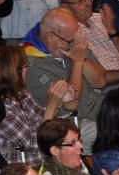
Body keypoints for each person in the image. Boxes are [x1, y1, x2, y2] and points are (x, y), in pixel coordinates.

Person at [22, 8, 114, 152]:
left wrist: (80, 57)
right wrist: (77, 62)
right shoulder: (32, 66)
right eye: (71, 41)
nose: (74, 44)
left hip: (98, 105)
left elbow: (101, 80)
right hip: (74, 123)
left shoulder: (67, 42)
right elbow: (71, 104)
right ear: (52, 38)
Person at [0, 45, 73, 166]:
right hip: (25, 164)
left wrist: (59, 100)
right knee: (70, 149)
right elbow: (36, 143)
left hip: (42, 150)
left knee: (72, 139)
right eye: (24, 66)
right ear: (13, 73)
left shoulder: (20, 91)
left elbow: (40, 115)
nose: (28, 68)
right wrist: (52, 103)